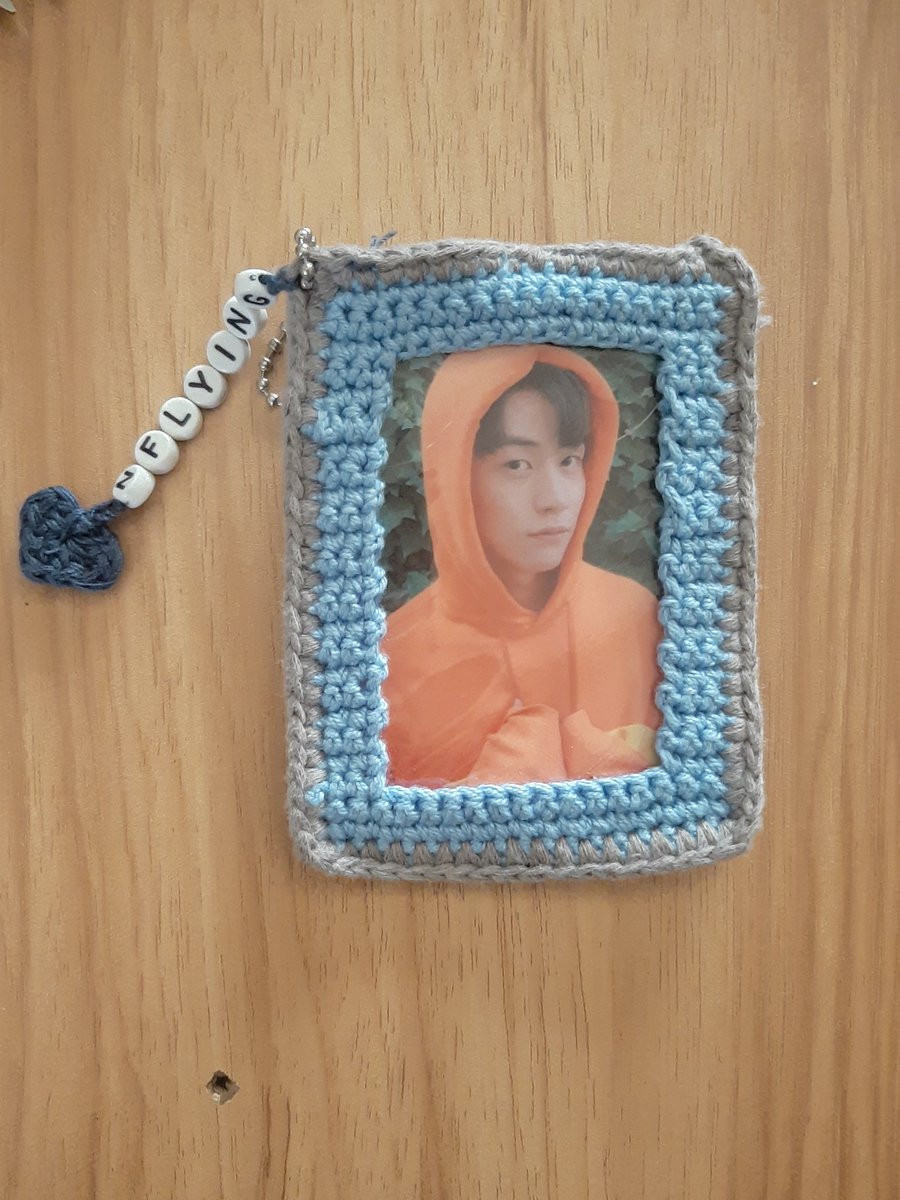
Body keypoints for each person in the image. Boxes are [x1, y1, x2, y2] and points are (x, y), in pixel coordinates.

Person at [380, 343, 665, 788]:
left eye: (569, 460)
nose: (554, 499)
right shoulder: (391, 661)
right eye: (516, 465)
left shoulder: (638, 619)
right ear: (455, 476)